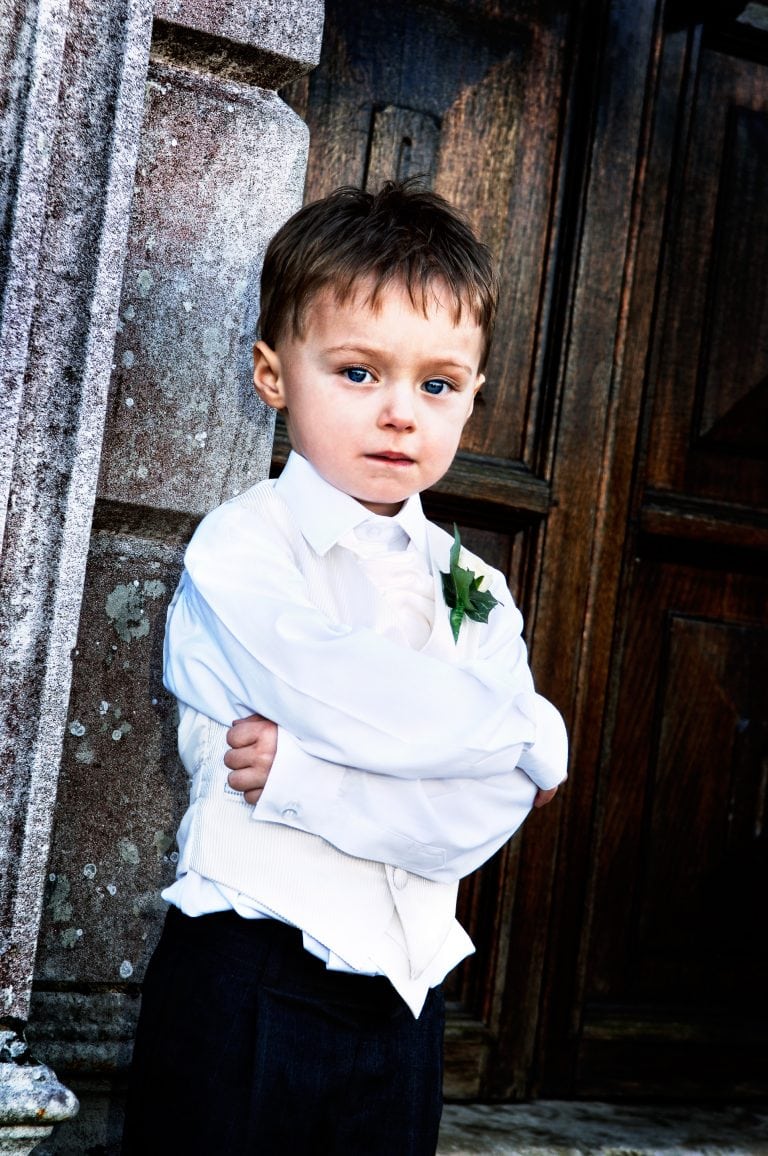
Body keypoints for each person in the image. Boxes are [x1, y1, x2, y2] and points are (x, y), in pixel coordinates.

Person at [121, 179, 568, 1156]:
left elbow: (478, 816)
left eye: (438, 384)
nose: (400, 414)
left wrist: (309, 778)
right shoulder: (241, 549)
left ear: (474, 394)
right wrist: (526, 728)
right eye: (360, 372)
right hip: (249, 977)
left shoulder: (476, 586)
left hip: (404, 1006)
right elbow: (347, 692)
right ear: (274, 374)